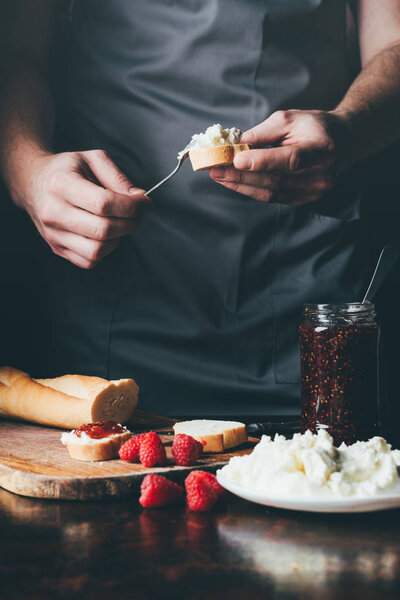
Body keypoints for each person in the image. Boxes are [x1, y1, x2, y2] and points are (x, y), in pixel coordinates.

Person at [0, 1, 400, 419]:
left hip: (304, 301)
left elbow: (394, 40)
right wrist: (26, 170)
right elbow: (15, 47)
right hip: (115, 301)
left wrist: (349, 129)